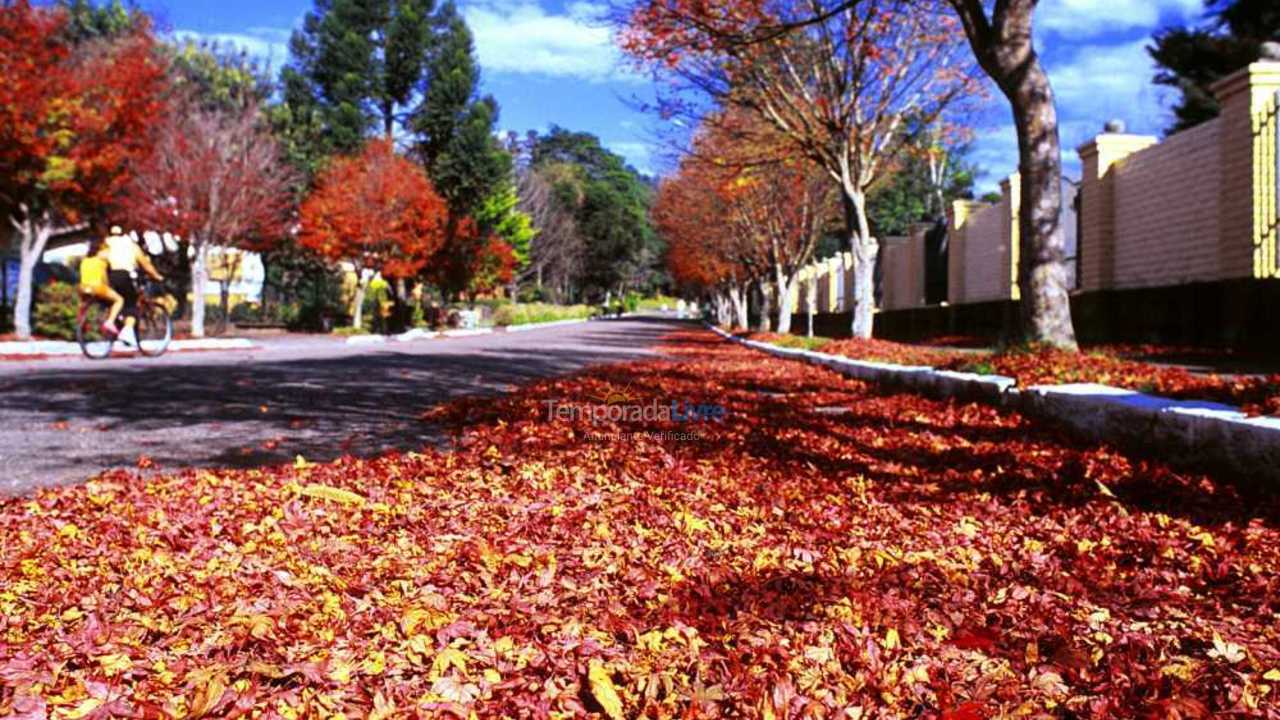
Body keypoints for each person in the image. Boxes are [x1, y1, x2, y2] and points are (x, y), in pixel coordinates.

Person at [104, 226, 164, 345]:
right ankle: (127, 331)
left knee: (116, 300)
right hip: (125, 275)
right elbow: (146, 265)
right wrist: (157, 276)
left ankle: (118, 321)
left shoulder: (106, 243)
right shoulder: (131, 245)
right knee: (132, 304)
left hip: (109, 276)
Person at [78, 237, 124, 336]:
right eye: (106, 250)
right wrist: (109, 286)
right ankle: (110, 322)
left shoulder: (84, 260)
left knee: (88, 302)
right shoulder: (101, 261)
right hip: (97, 287)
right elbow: (104, 278)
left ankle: (83, 321)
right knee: (119, 300)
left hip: (83, 288)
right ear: (100, 250)